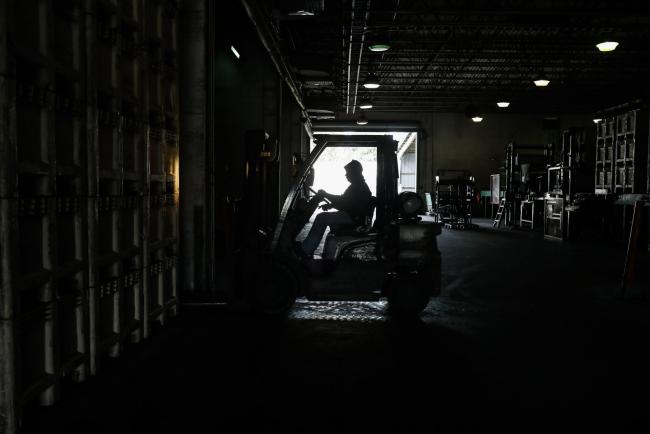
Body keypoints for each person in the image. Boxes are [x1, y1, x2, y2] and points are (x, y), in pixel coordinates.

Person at [295, 159, 372, 258]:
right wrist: (330, 205)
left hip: (354, 218)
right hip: (353, 215)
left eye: (348, 172)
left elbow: (343, 202)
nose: (346, 175)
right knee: (323, 217)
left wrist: (325, 194)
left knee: (321, 218)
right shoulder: (357, 186)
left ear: (354, 173)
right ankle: (311, 249)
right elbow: (346, 202)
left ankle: (306, 249)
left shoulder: (359, 187)